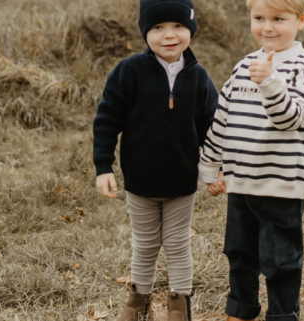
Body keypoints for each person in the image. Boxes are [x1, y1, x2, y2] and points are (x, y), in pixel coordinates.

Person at [199, 0, 304, 319]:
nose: (267, 27)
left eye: (278, 19)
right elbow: (223, 118)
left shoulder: (303, 66)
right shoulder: (245, 65)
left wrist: (270, 83)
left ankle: (282, 315)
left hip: (281, 184)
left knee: (280, 260)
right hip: (241, 182)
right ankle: (239, 310)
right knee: (239, 254)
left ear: (301, 20)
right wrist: (211, 166)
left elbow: (292, 118)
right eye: (259, 18)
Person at [92, 0, 218, 319]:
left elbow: (213, 128)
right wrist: (103, 166)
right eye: (158, 27)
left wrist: (219, 167)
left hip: (181, 183)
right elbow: (107, 120)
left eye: (178, 26)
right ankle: (138, 302)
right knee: (145, 244)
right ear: (145, 32)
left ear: (190, 28)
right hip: (140, 182)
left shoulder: (199, 77)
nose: (169, 35)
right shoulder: (128, 71)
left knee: (177, 244)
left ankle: (179, 304)